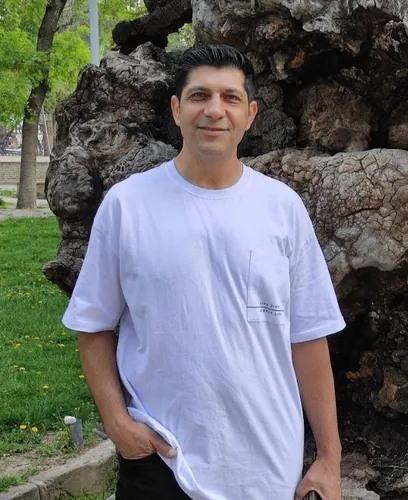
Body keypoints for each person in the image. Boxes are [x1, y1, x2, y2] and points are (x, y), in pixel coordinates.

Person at [62, 44, 346, 500]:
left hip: (267, 468)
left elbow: (309, 338)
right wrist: (117, 423)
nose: (215, 110)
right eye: (199, 96)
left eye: (230, 97)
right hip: (161, 460)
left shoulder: (282, 208)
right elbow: (92, 324)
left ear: (250, 115)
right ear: (177, 109)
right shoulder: (128, 205)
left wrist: (330, 460)